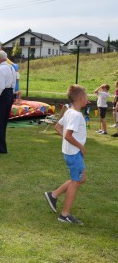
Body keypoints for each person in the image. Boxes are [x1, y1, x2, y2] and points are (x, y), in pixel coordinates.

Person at [44, 84, 88, 225]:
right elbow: (68, 135)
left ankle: (54, 194)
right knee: (76, 182)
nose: (87, 99)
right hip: (75, 153)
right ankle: (64, 215)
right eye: (86, 96)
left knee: (81, 178)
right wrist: (80, 146)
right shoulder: (76, 115)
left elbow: (58, 127)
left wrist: (70, 144)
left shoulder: (69, 112)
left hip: (70, 152)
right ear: (80, 98)